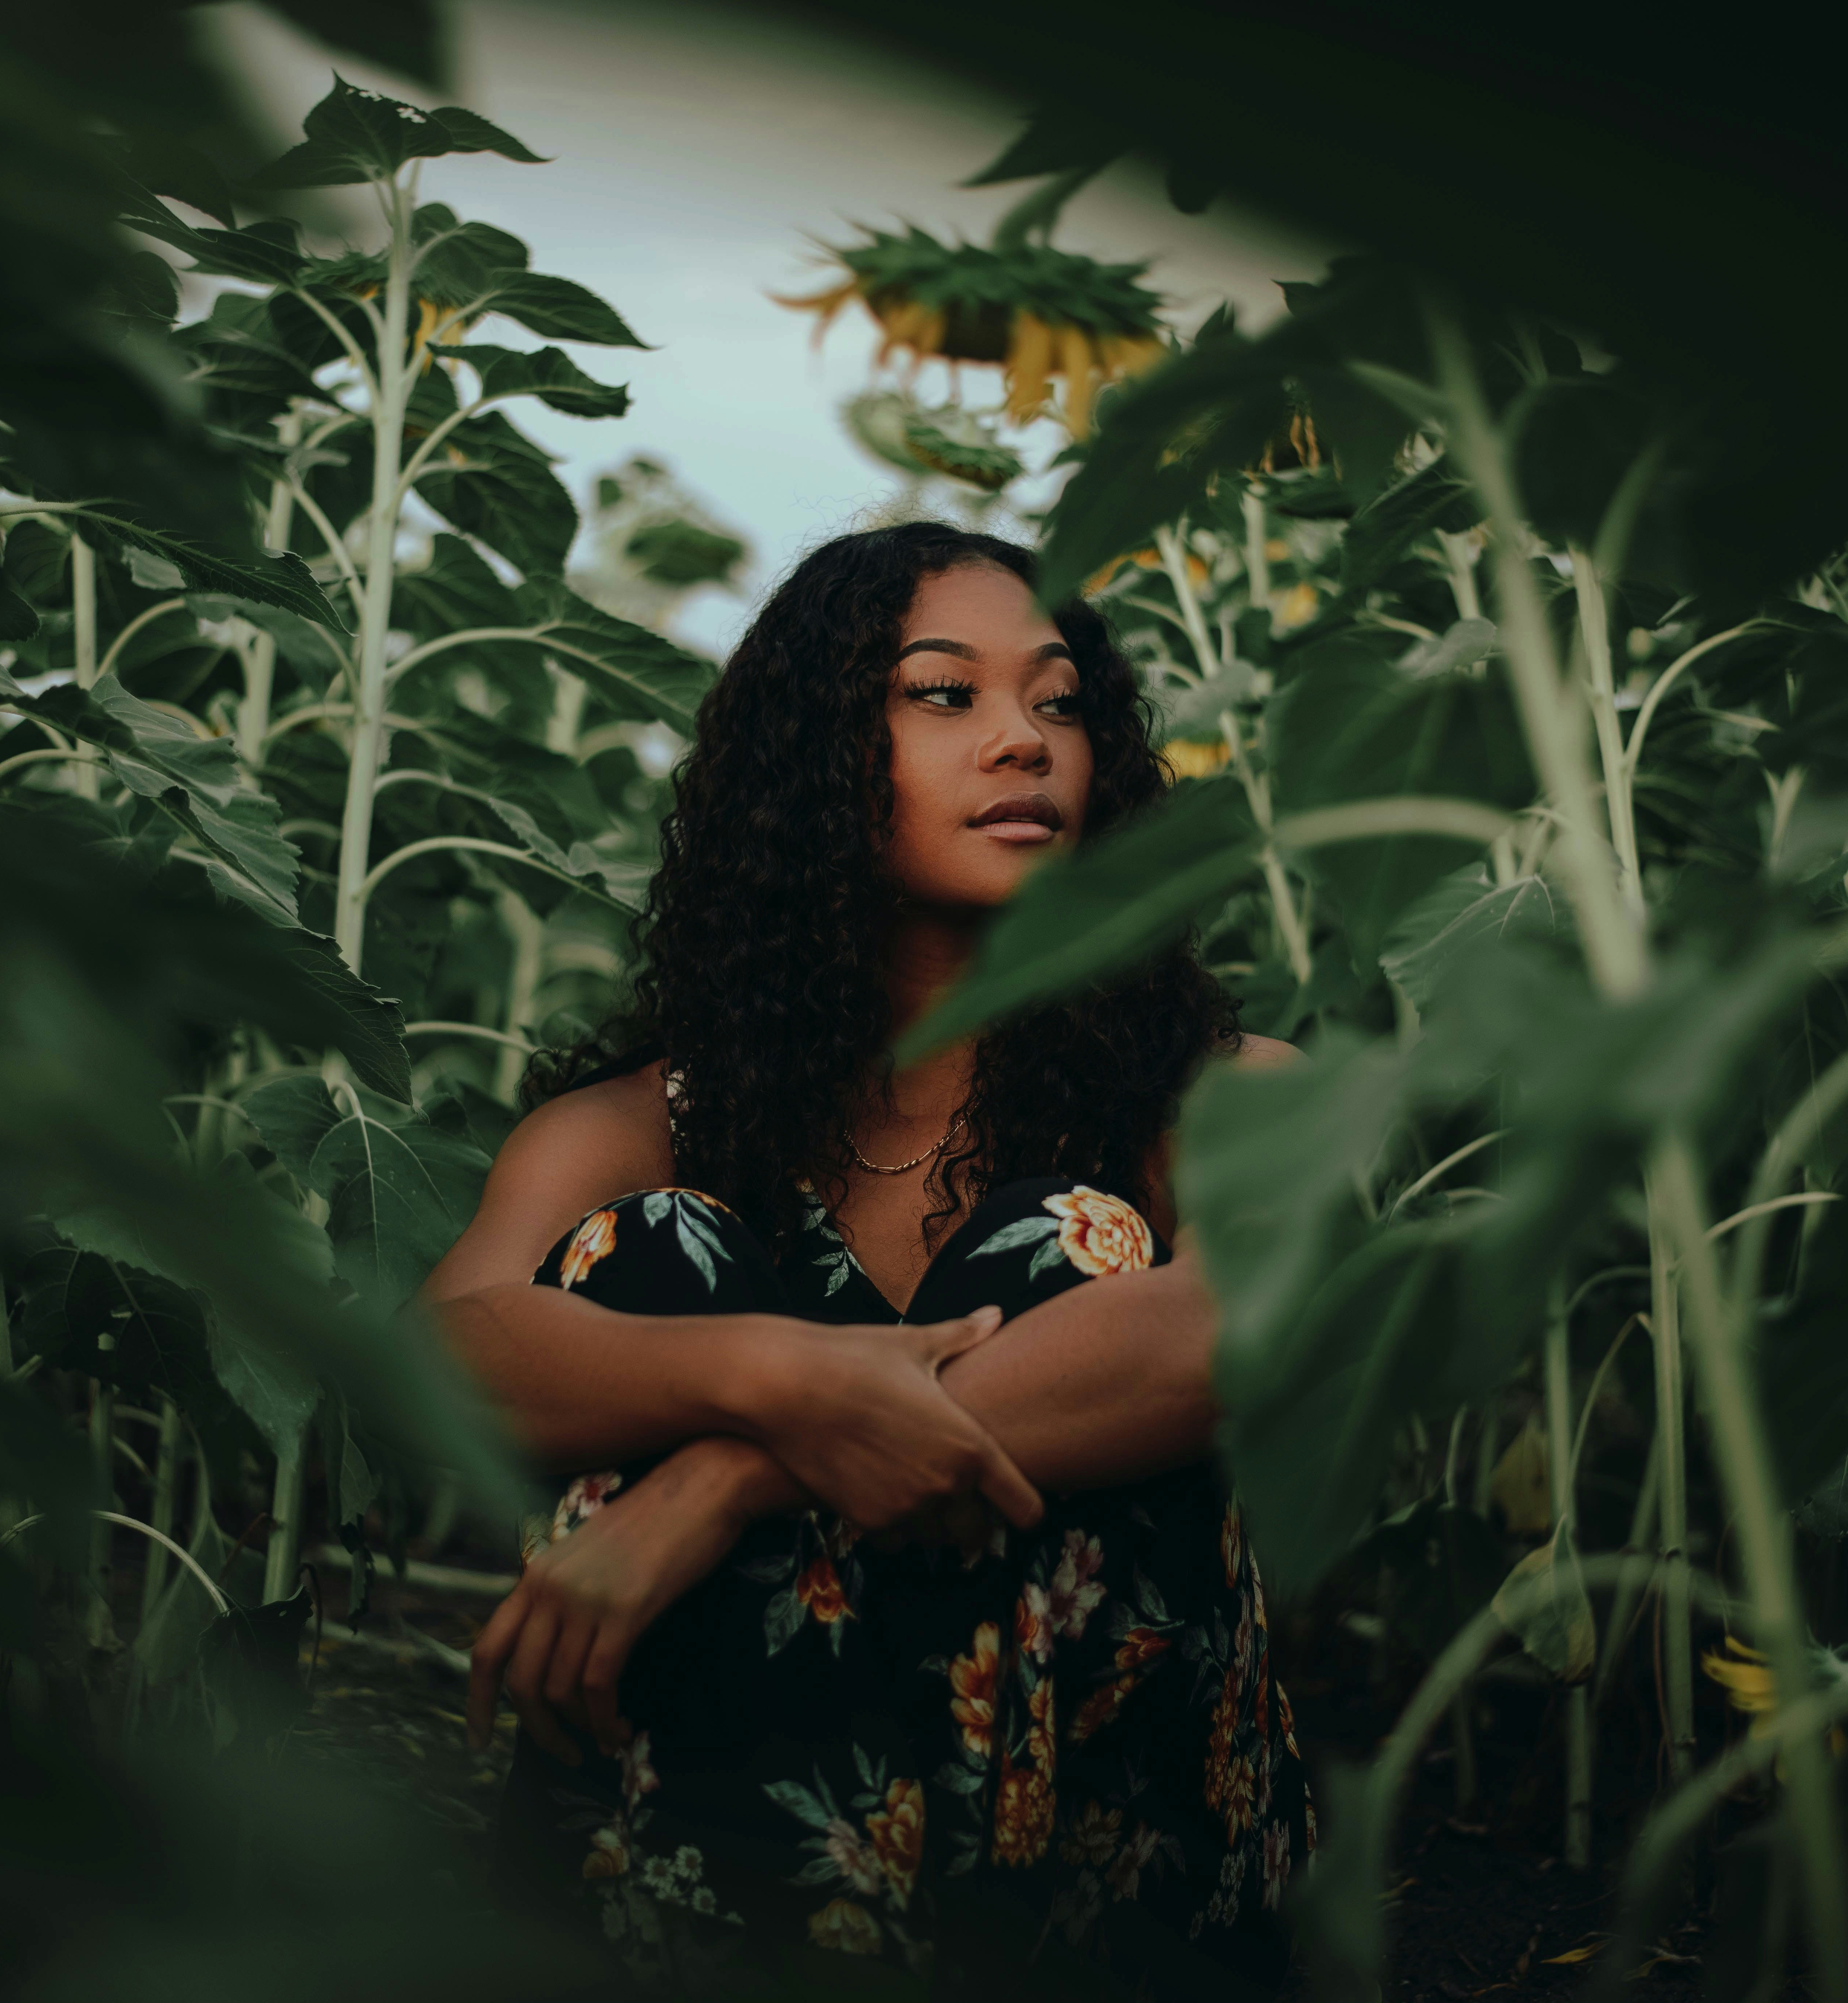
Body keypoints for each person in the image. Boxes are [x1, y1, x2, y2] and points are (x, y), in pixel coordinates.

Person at [423, 522, 1312, 1996]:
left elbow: (1246, 1320)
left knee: (1062, 1244)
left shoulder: (1216, 1090)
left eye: (1062, 699)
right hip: (702, 1887)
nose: (1025, 738)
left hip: (1096, 1895)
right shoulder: (655, 1121)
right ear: (818, 753)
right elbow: (434, 1353)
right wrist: (766, 1369)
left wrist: (738, 1468)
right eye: (946, 694)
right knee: (657, 1245)